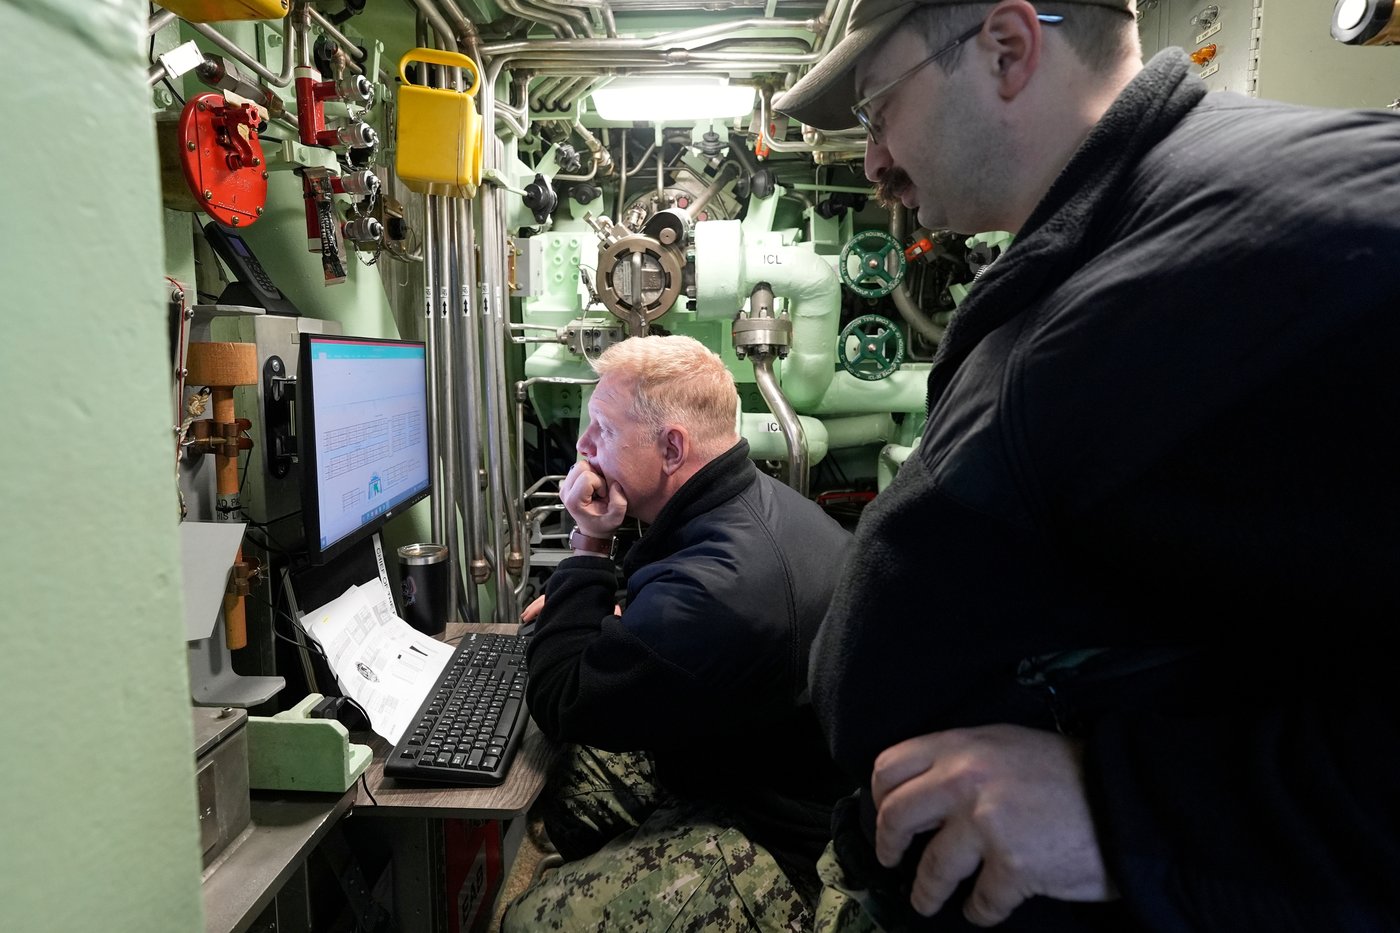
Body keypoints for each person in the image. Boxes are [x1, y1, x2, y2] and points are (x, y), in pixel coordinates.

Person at [773, 0, 1400, 930]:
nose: (872, 160)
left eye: (876, 110)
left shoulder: (1295, 234)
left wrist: (1126, 811)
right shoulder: (1123, 226)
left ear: (1007, 49)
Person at [501, 335, 854, 932]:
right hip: (752, 760)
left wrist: (587, 544)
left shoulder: (716, 591)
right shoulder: (744, 504)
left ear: (671, 447)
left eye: (603, 432)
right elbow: (665, 600)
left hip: (785, 842)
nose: (583, 448)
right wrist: (610, 608)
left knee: (529, 922)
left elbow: (562, 698)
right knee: (558, 792)